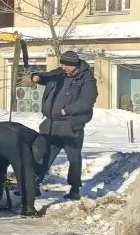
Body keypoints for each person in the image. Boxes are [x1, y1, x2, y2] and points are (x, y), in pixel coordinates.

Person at [30, 50, 97, 201]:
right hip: (51, 123)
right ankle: (33, 186)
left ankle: (74, 189)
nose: (64, 67)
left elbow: (87, 101)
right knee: (44, 155)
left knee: (74, 158)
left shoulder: (86, 79)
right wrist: (37, 77)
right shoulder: (59, 73)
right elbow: (45, 76)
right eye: (63, 64)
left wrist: (67, 110)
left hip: (71, 125)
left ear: (75, 65)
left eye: (67, 65)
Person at [0, 121, 45, 216]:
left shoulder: (25, 131)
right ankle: (28, 208)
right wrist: (33, 167)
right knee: (25, 174)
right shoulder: (39, 138)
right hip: (13, 138)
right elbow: (38, 155)